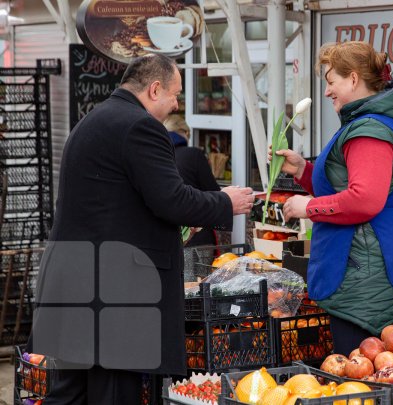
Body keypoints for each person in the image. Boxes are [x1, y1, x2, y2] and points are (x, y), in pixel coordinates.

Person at [31, 54, 254, 404]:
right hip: (114, 296)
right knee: (114, 394)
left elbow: (117, 203)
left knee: (70, 395)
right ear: (154, 89)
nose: (177, 104)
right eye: (175, 95)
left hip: (77, 286)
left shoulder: (95, 119)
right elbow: (172, 199)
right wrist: (225, 202)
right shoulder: (140, 126)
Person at [271, 41, 393, 355]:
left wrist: (308, 208)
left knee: (361, 378)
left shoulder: (370, 131)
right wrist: (302, 169)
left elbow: (364, 200)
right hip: (363, 266)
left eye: (331, 82)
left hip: (364, 275)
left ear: (353, 79)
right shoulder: (365, 124)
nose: (327, 92)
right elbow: (343, 186)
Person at [163, 114, 220, 246]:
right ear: (184, 132)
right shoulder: (193, 155)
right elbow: (214, 192)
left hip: (166, 234)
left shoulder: (156, 156)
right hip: (196, 233)